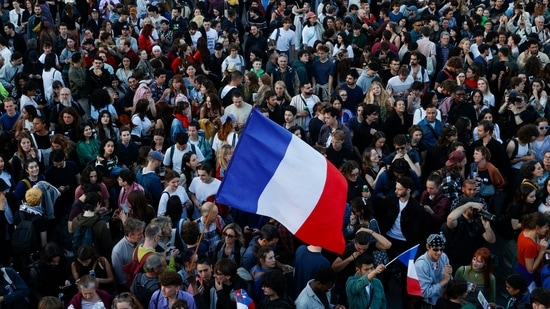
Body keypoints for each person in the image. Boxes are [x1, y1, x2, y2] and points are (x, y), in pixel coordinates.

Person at [415, 234, 452, 308]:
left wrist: (449, 275)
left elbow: (449, 278)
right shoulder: (421, 264)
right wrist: (444, 281)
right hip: (427, 302)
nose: (439, 252)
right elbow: (425, 292)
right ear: (428, 247)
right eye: (435, 249)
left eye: (441, 249)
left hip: (443, 298)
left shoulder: (444, 257)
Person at [515, 212, 548, 289]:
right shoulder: (529, 245)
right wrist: (542, 251)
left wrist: (545, 250)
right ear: (537, 228)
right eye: (545, 227)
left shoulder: (524, 232)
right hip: (528, 277)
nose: (546, 229)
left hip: (520, 266)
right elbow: (531, 269)